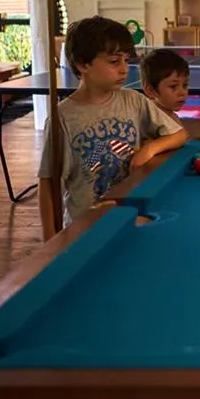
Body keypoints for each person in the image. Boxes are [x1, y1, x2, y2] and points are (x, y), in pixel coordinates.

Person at [38, 17, 189, 239]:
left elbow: (180, 134)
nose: (124, 69)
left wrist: (149, 149)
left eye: (126, 60)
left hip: (130, 218)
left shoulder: (134, 101)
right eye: (114, 61)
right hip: (86, 227)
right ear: (83, 64)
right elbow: (48, 184)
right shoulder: (63, 119)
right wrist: (50, 240)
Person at [140, 47, 191, 123]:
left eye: (185, 85)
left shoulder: (170, 116)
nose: (182, 93)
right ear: (150, 90)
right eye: (173, 86)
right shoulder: (153, 123)